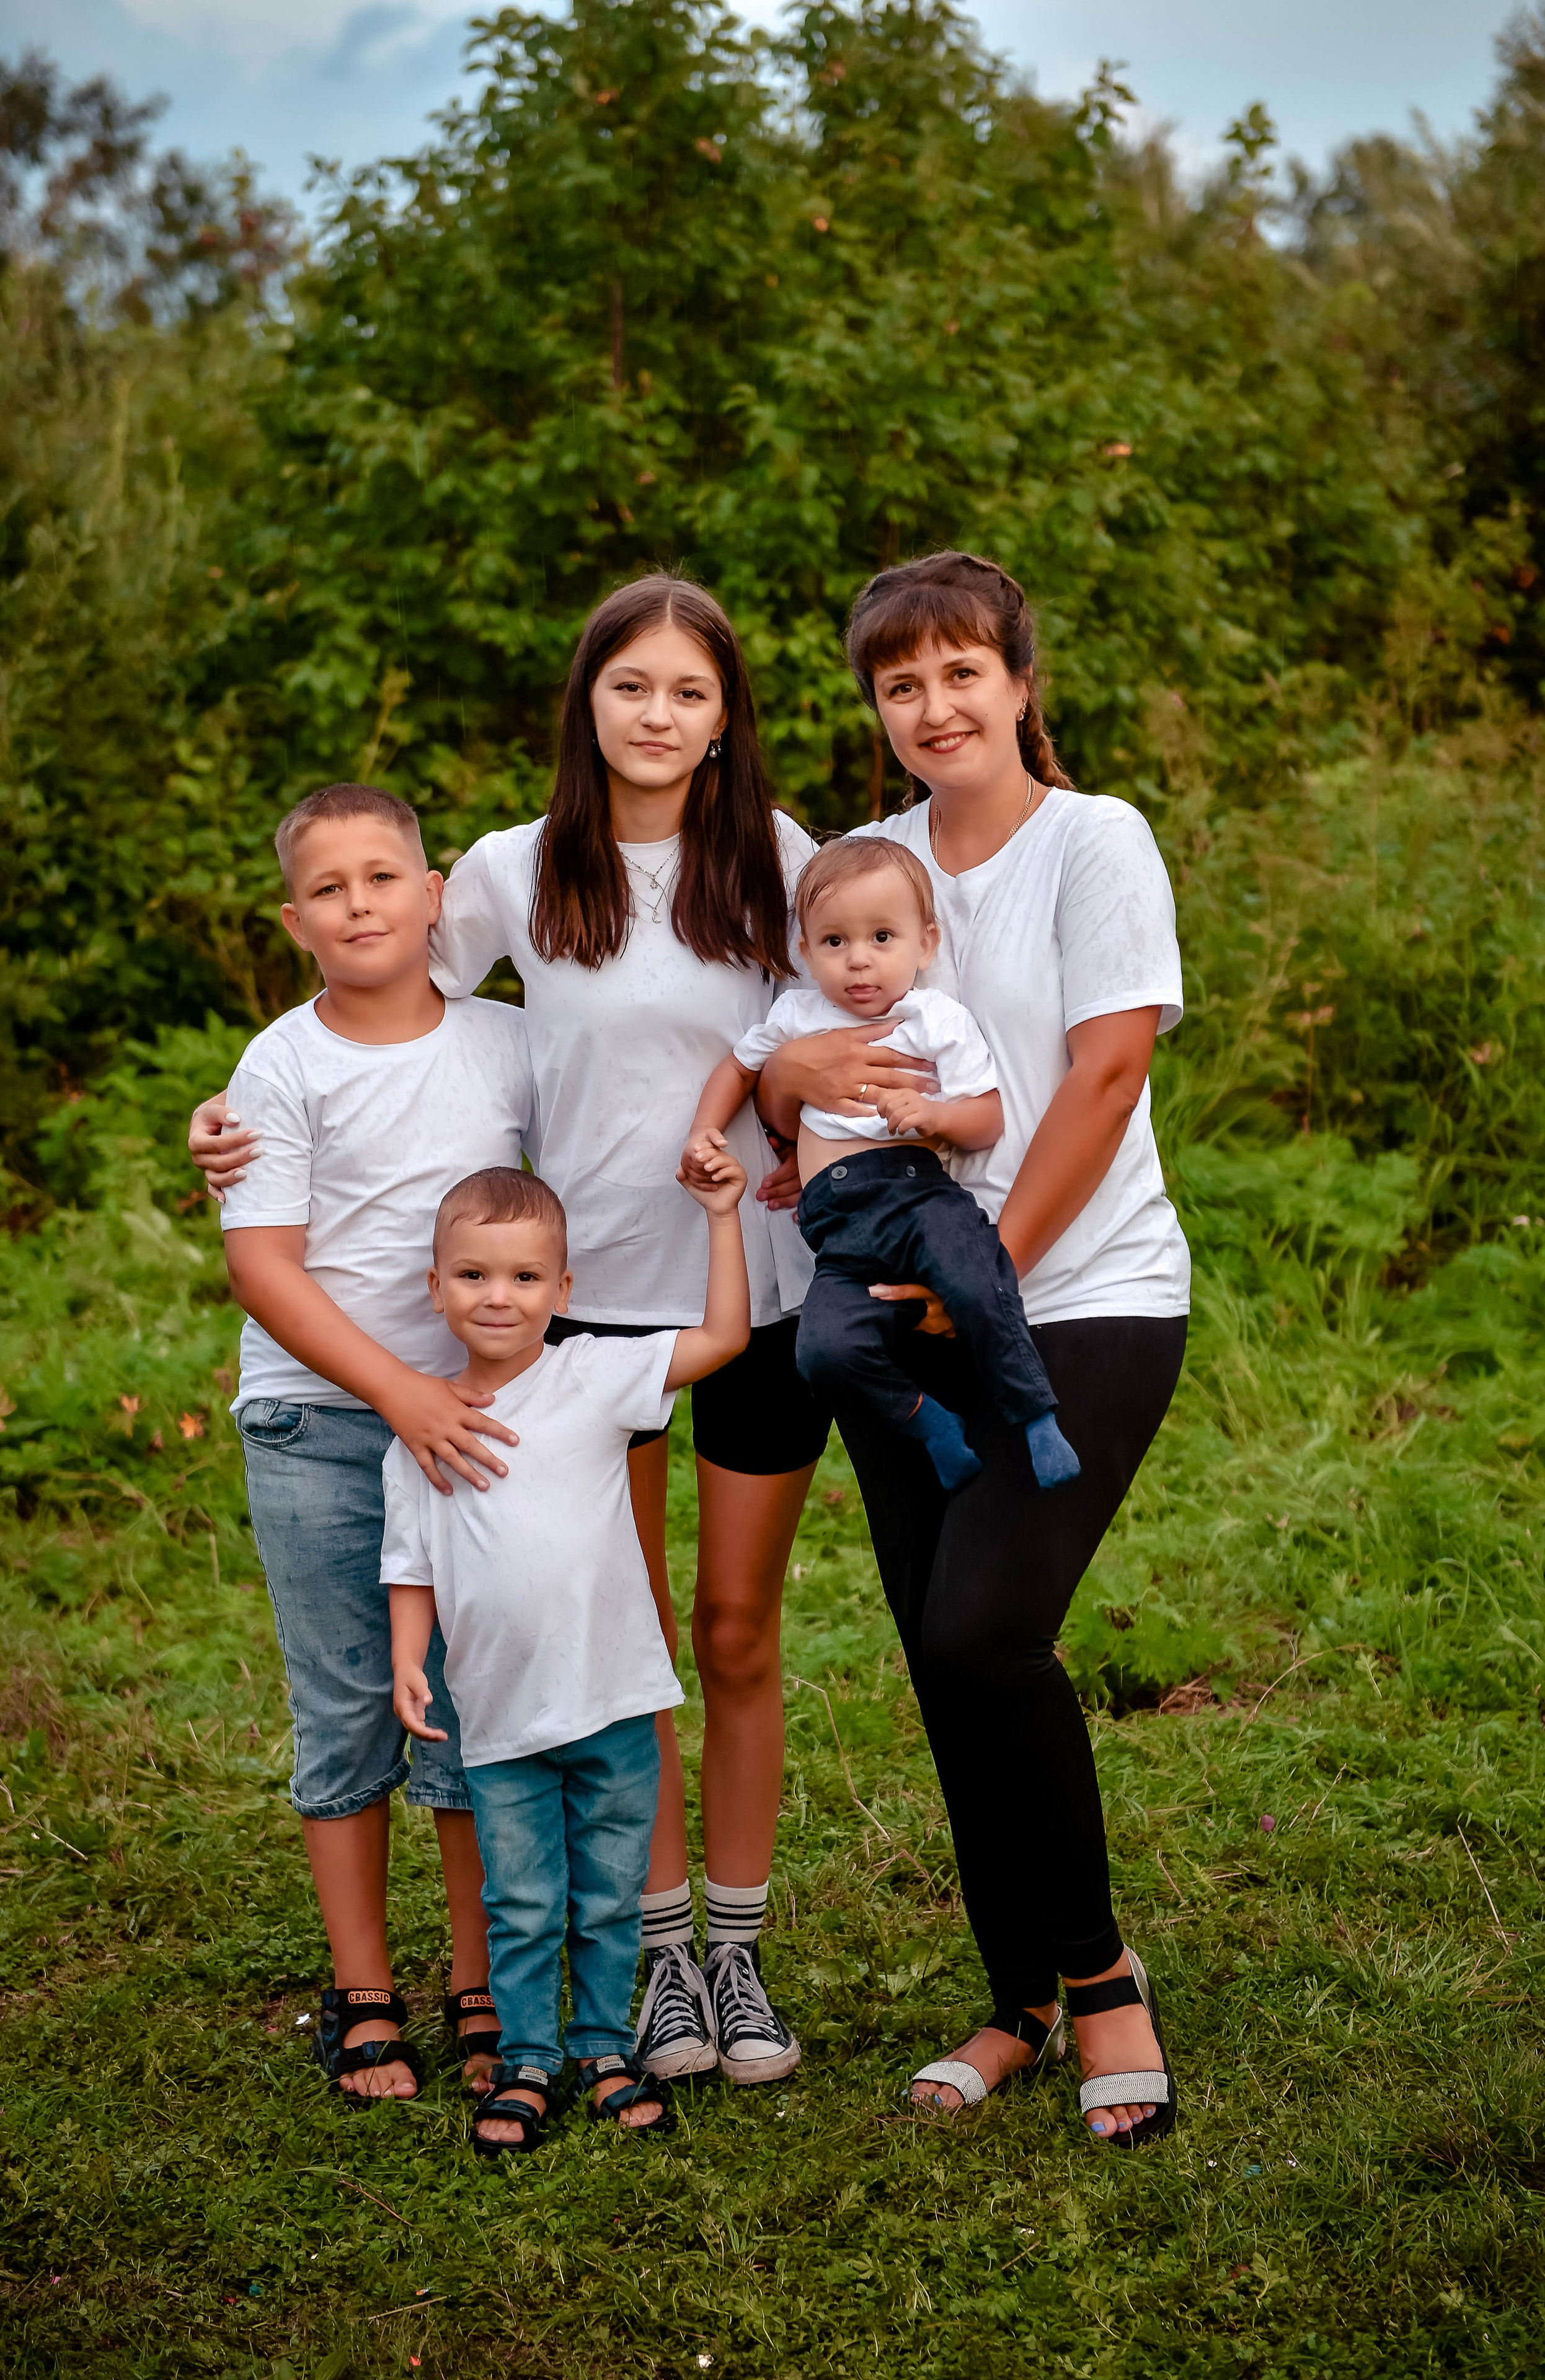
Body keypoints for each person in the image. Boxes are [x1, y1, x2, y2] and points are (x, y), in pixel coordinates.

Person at [188, 579, 821, 2086]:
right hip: (574, 1313)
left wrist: (815, 1129)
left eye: (686, 690)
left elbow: (850, 1004)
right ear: (585, 701)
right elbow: (375, 978)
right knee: (622, 1635)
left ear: (725, 711)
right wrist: (234, 1110)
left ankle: (730, 1951)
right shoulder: (515, 866)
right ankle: (650, 1952)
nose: (656, 714)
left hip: (755, 1292)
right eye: (628, 686)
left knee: (732, 1632)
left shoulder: (774, 859)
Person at [755, 551, 1189, 2145]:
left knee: (982, 1632)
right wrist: (791, 1071)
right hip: (897, 1303)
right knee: (936, 1645)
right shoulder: (864, 864)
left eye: (959, 672)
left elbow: (1103, 1076)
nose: (932, 706)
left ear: (1016, 681)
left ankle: (1100, 1977)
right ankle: (1009, 1997)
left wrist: (983, 1282)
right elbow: (792, 1052)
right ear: (875, 709)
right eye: (898, 683)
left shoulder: (1095, 840)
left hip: (1083, 1296)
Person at [214, 782, 536, 2102]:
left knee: (467, 1709)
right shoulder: (281, 1064)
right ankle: (361, 1991)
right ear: (296, 921)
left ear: (434, 897)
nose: (359, 904)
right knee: (348, 1704)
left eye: (382, 877)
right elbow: (265, 1269)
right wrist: (397, 1393)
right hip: (319, 1422)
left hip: (472, 1426)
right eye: (330, 888)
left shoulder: (510, 1046)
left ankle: (477, 1982)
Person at [386, 1148, 751, 2154]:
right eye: (473, 1275)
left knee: (604, 1891)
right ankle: (528, 2059)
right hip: (499, 1716)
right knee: (523, 1899)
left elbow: (722, 1337)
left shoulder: (595, 1376)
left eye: (525, 1277)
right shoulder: (423, 1428)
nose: (498, 1298)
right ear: (436, 1287)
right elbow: (411, 1565)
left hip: (615, 1701)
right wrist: (410, 1658)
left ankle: (602, 2047)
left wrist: (722, 1217)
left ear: (564, 1289)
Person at [683, 835, 1078, 1494]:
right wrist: (704, 1131)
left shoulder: (933, 1018)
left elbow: (986, 1116)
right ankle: (931, 1425)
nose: (858, 961)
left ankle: (1034, 1415)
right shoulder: (796, 1016)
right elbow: (737, 1068)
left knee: (978, 1277)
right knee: (822, 1350)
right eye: (834, 943)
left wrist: (934, 1116)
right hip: (838, 1234)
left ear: (925, 944)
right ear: (805, 953)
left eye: (882, 938)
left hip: (919, 1201)